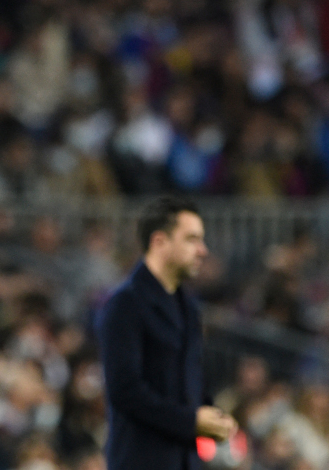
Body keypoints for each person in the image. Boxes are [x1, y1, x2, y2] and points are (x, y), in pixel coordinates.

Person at [96, 196, 238, 470]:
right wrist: (191, 421)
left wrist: (212, 415)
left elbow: (189, 381)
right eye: (192, 239)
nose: (203, 250)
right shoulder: (125, 304)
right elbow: (125, 390)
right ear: (159, 242)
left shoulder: (189, 308)